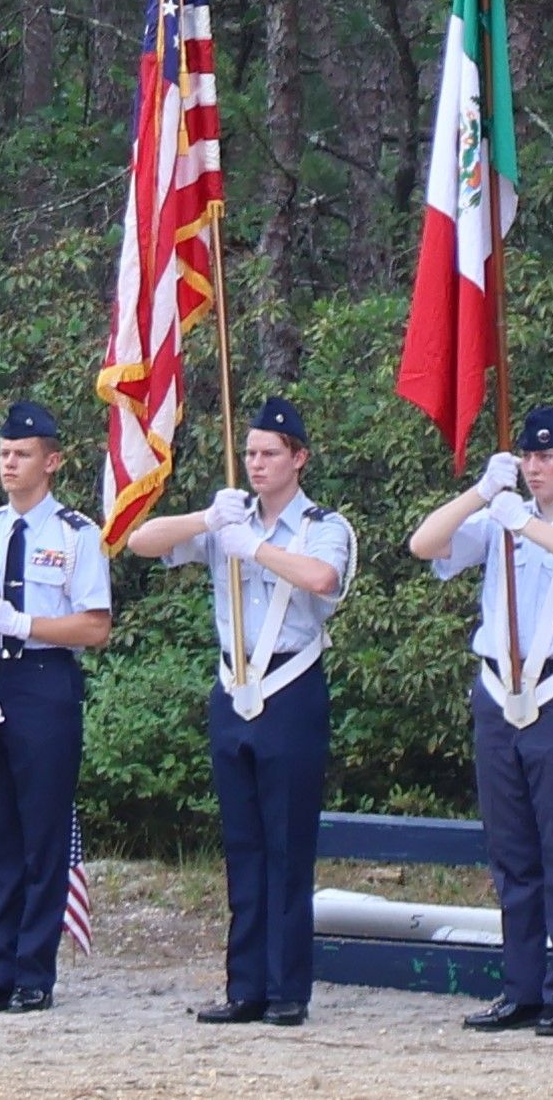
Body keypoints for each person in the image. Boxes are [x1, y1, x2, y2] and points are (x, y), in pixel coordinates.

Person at [127, 396, 355, 1027]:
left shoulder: (321, 525)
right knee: (243, 846)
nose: (256, 463)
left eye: (269, 453)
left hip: (291, 687)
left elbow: (321, 580)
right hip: (234, 688)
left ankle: (288, 989)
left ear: (298, 459)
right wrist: (204, 518)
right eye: (250, 452)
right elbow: (140, 542)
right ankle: (245, 985)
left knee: (288, 844)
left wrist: (252, 546)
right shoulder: (227, 518)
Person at [409, 406, 553, 1037]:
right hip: (499, 693)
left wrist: (524, 523)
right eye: (529, 457)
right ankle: (522, 988)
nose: (536, 467)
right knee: (512, 856)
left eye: (549, 456)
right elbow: (425, 544)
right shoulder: (500, 513)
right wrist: (481, 493)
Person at [0, 401, 112, 1015]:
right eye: (4, 455)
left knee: (43, 836)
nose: (10, 465)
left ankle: (34, 973)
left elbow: (95, 627)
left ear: (52, 461)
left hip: (45, 685)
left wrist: (26, 623)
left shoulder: (75, 534)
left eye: (22, 455)